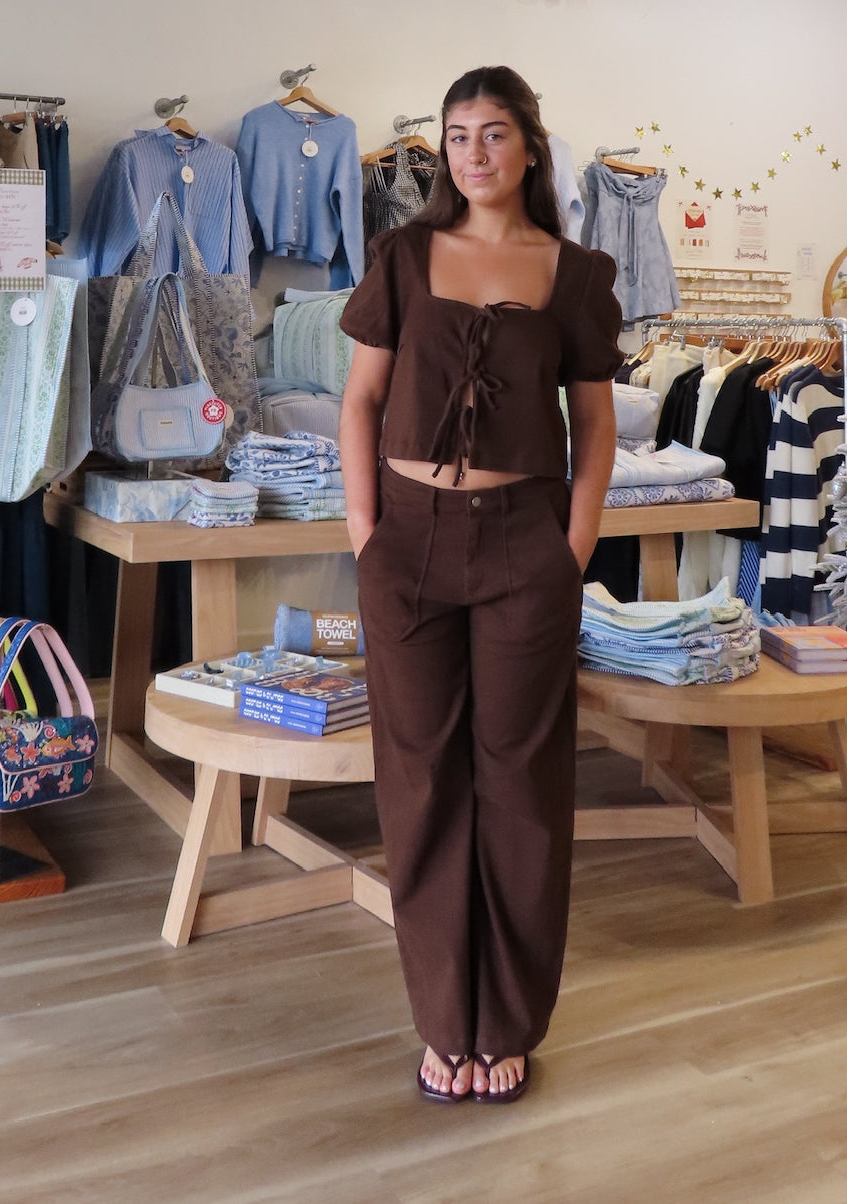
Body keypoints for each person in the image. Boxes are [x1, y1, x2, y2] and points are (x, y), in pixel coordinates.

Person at [339, 65, 621, 1105]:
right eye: (457, 136)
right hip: (406, 544)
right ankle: (442, 1021)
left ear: (530, 146)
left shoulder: (574, 272)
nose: (474, 154)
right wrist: (366, 534)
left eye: (493, 133)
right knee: (419, 785)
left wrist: (570, 548)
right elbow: (360, 403)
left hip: (524, 548)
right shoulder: (403, 257)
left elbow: (595, 425)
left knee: (521, 785)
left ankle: (505, 1022)